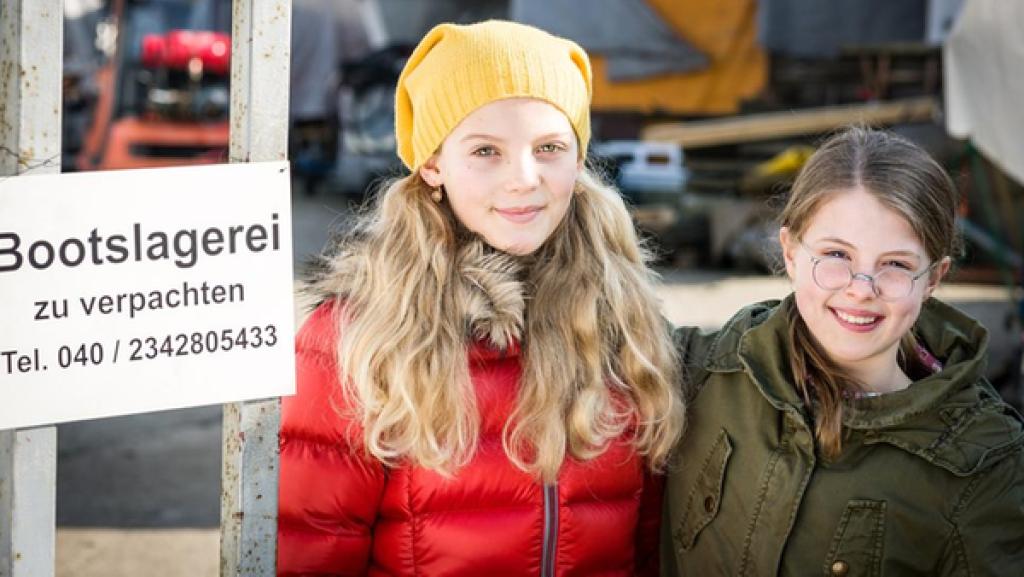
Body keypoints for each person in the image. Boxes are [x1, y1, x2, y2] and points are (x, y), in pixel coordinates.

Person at [277, 20, 684, 576]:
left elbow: (647, 540)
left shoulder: (621, 315)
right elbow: (310, 549)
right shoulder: (355, 336)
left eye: (549, 147)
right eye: (486, 150)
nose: (524, 178)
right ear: (433, 163)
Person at [662, 127, 1024, 576]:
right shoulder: (701, 371)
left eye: (895, 265)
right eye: (837, 254)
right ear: (791, 252)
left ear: (933, 278)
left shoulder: (985, 465)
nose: (860, 290)